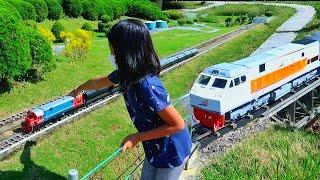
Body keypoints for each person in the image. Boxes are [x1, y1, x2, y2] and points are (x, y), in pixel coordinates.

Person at [69, 19, 192, 179]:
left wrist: (137, 137)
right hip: (154, 148)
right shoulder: (126, 75)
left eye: (114, 51)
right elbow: (99, 82)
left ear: (126, 52)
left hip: (172, 150)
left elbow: (178, 125)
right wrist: (79, 88)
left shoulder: (147, 86)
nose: (112, 55)